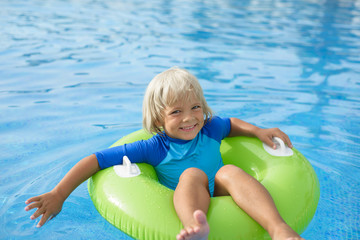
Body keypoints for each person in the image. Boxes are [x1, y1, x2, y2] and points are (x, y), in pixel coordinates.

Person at [25, 67, 304, 240]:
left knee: (229, 171)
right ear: (158, 120)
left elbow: (232, 123)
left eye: (195, 107)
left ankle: (279, 229)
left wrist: (258, 131)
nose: (190, 118)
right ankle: (195, 229)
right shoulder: (154, 147)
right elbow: (97, 159)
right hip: (186, 200)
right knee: (192, 174)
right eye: (176, 112)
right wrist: (59, 194)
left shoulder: (210, 128)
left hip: (219, 193)